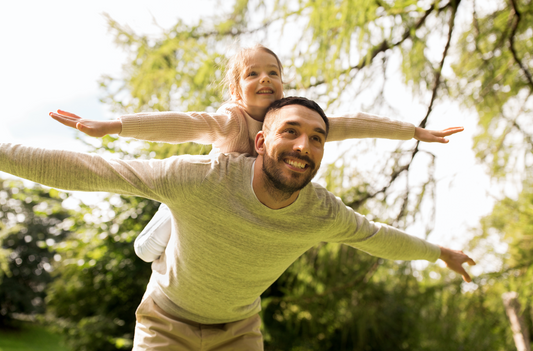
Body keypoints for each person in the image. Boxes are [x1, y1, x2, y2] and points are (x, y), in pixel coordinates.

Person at [1, 96, 474, 350]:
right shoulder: (198, 178)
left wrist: (438, 252)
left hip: (240, 332)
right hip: (166, 323)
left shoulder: (321, 212)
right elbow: (90, 171)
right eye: (291, 132)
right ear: (263, 140)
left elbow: (378, 238)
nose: (304, 147)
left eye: (317, 139)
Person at [49, 44, 464, 263]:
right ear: (236, 90)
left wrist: (414, 132)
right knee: (146, 249)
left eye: (274, 72)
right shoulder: (229, 121)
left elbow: (355, 122)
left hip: (241, 211)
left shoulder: (295, 125)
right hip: (198, 199)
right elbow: (180, 123)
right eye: (253, 73)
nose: (265, 78)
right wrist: (113, 126)